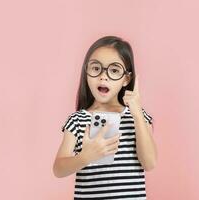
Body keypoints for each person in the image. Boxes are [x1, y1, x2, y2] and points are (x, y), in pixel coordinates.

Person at [53, 35, 158, 199]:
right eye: (96, 68)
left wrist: (137, 113)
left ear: (126, 79)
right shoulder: (77, 120)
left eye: (114, 70)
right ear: (86, 72)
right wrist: (85, 157)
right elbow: (58, 169)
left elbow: (149, 163)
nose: (103, 76)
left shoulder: (138, 116)